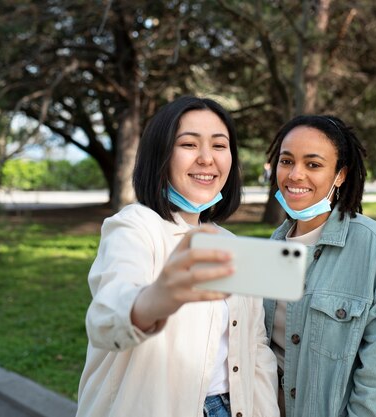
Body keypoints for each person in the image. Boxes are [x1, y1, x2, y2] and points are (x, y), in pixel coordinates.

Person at [76, 96, 279, 417]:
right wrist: (159, 297)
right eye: (188, 144)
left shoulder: (229, 244)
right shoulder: (133, 227)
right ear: (161, 154)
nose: (206, 158)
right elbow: (106, 319)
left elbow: (255, 351)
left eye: (219, 145)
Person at [263, 115, 376, 417]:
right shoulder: (274, 245)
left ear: (340, 175)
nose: (295, 174)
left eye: (313, 164)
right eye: (287, 162)